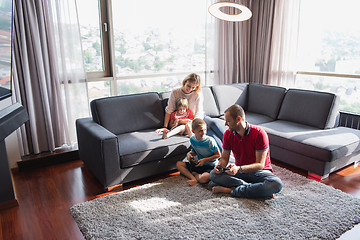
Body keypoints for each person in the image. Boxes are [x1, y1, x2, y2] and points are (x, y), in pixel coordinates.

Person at [210, 104, 283, 198]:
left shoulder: (259, 133)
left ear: (238, 119)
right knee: (213, 175)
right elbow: (224, 158)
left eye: (228, 121)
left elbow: (260, 164)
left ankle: (231, 190)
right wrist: (220, 166)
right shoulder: (228, 134)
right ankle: (255, 189)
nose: (225, 124)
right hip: (240, 172)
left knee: (276, 184)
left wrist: (239, 168)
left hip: (259, 172)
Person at [176, 118, 221, 186]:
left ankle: (194, 175)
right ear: (193, 131)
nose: (203, 132)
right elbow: (195, 152)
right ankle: (194, 178)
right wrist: (189, 154)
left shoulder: (210, 141)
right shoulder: (192, 139)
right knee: (178, 164)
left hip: (210, 166)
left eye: (205, 130)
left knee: (204, 178)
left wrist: (205, 160)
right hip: (199, 164)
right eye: (201, 131)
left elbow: (218, 155)